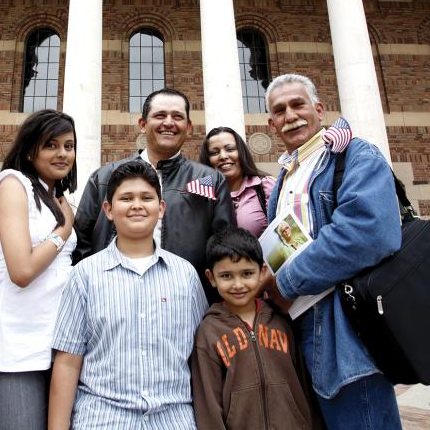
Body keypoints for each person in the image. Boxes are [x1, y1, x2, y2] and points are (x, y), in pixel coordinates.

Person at [264, 73, 402, 429]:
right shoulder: (284, 176)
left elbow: (367, 232)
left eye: (298, 104)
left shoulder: (355, 154)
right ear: (271, 123)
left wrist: (285, 283)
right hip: (302, 326)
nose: (290, 115)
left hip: (347, 334)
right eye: (280, 110)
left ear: (319, 109)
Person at [49, 161, 208, 429]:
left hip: (173, 418)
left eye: (147, 198)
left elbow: (199, 358)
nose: (137, 205)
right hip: (102, 417)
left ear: (161, 208)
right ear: (108, 210)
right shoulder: (85, 275)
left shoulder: (186, 276)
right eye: (126, 198)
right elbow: (68, 362)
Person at [74, 88, 233, 297]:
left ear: (188, 127)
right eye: (160, 115)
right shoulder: (104, 178)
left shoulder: (210, 180)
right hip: (111, 299)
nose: (168, 122)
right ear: (142, 125)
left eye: (177, 117)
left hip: (184, 300)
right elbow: (81, 244)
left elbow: (225, 248)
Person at [0, 109, 77, 430]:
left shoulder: (55, 197)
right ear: (29, 149)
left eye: (68, 145)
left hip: (60, 346)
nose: (62, 153)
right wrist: (63, 230)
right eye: (50, 145)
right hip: (17, 348)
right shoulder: (13, 184)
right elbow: (21, 270)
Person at [191, 228, 313, 429]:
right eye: (227, 276)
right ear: (211, 277)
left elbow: (303, 384)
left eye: (247, 274)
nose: (238, 284)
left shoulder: (280, 321)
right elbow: (208, 404)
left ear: (262, 272)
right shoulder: (209, 331)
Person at [199, 126, 275, 237]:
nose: (223, 156)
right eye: (214, 153)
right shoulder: (200, 196)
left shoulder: (266, 187)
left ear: (241, 152)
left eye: (230, 149)